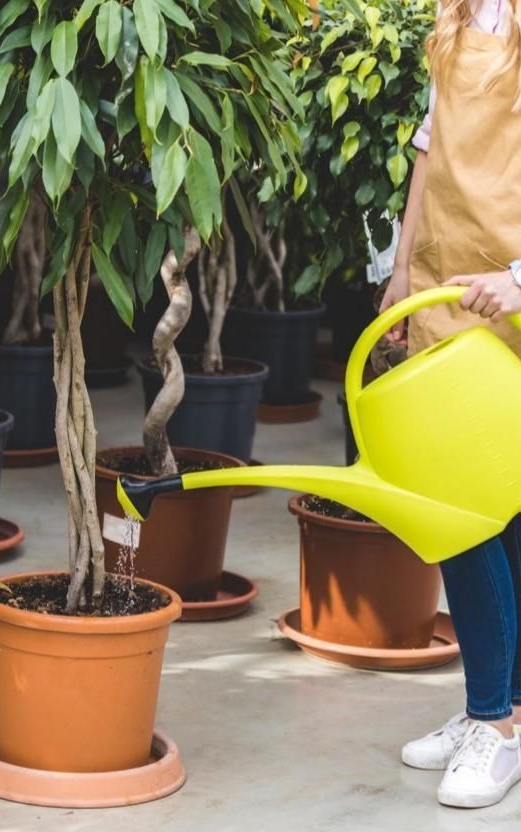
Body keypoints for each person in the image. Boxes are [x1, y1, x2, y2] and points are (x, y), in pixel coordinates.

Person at [380, 0, 521, 810]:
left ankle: (492, 721)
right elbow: (432, 149)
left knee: (468, 511)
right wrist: (403, 267)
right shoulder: (457, 13)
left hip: (506, 286)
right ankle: (496, 703)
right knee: (480, 504)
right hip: (446, 280)